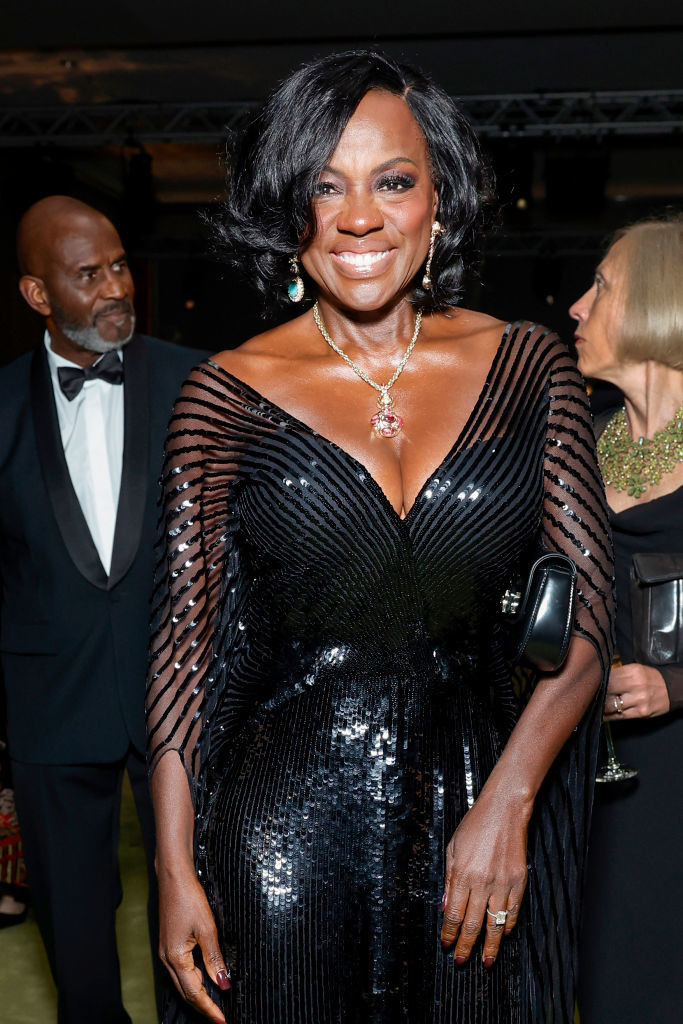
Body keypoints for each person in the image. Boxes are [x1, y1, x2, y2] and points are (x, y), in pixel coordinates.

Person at [147, 51, 614, 1024]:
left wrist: (509, 798)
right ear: (288, 211)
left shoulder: (528, 366)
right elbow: (183, 665)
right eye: (324, 186)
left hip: (477, 822)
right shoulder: (220, 397)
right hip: (278, 833)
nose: (359, 216)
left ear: (435, 196)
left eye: (391, 180)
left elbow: (583, 608)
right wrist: (171, 863)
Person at [0, 196, 205, 1024]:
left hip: (182, 697)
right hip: (51, 701)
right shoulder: (1, 403)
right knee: (75, 933)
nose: (116, 288)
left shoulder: (201, 380)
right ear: (37, 294)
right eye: (89, 276)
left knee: (193, 910)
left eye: (119, 265)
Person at [570, 217, 683, 1024]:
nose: (576, 307)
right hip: (596, 782)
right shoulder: (580, 443)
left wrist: (677, 683)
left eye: (600, 285)